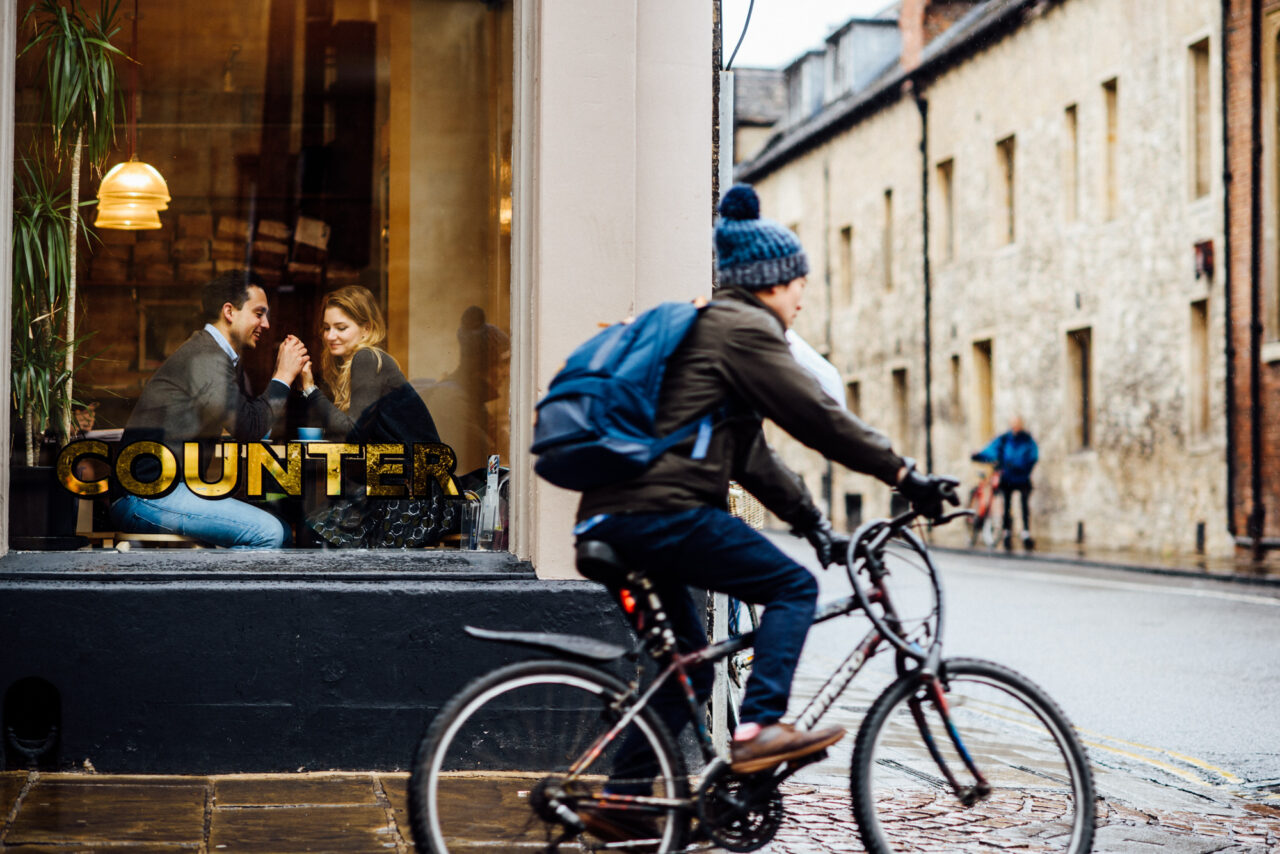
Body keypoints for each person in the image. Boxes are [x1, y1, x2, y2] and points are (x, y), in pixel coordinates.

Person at [573, 184, 956, 808]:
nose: (803, 298)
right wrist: (906, 475)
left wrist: (813, 525)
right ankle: (758, 729)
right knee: (793, 588)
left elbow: (751, 457)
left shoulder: (713, 331)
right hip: (664, 514)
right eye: (801, 283)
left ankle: (623, 802)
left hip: (616, 519)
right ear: (774, 280)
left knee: (690, 669)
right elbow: (819, 417)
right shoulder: (743, 329)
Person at [111, 270, 309, 548]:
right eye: (259, 313)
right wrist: (283, 377)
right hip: (146, 496)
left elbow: (252, 423)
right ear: (229, 311)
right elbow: (250, 429)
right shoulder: (206, 357)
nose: (266, 323)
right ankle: (209, 588)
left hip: (161, 492)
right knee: (270, 534)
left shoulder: (219, 357)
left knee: (282, 530)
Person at [298, 285, 452, 548]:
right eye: (326, 328)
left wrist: (309, 389)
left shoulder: (367, 358)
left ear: (366, 329)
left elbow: (352, 433)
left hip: (411, 495)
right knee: (316, 525)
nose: (330, 336)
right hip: (401, 487)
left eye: (341, 327)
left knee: (315, 531)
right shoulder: (362, 364)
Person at [971, 416, 1039, 550]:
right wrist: (979, 456)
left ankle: (1025, 532)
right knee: (1007, 506)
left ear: (1021, 425)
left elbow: (1033, 456)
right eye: (1013, 424)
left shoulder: (1027, 440)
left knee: (1024, 505)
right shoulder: (1004, 439)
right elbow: (992, 451)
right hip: (1007, 477)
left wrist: (1022, 466)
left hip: (1022, 477)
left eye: (1017, 424)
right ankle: (1007, 532)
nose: (1015, 427)